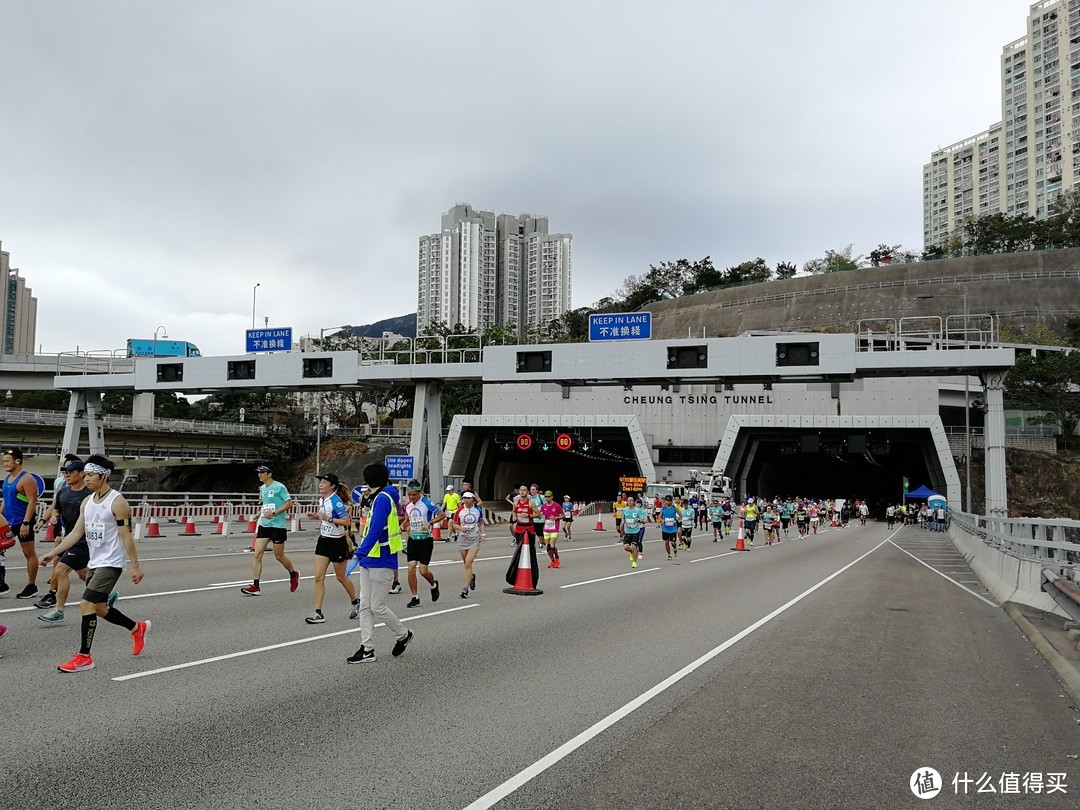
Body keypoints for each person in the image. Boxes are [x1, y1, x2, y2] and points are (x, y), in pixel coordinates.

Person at [40, 455, 149, 673]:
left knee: (86, 605)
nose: (86, 479)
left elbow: (126, 535)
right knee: (99, 608)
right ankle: (137, 628)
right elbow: (76, 533)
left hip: (111, 563)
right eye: (86, 475)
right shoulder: (87, 502)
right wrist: (53, 553)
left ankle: (84, 657)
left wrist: (135, 565)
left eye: (90, 475)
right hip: (95, 561)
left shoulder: (118, 503)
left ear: (104, 475)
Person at [347, 463, 413, 664]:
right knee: (365, 606)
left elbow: (375, 530)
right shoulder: (378, 497)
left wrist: (359, 553)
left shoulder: (383, 499)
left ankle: (403, 634)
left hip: (381, 558)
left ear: (368, 481)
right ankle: (367, 648)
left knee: (377, 606)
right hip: (370, 558)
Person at [35, 460, 98, 623]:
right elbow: (56, 507)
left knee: (61, 569)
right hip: (69, 537)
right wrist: (53, 517)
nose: (67, 475)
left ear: (81, 473)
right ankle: (105, 592)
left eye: (70, 472)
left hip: (84, 539)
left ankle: (58, 610)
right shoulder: (63, 491)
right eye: (65, 472)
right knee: (83, 573)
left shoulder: (89, 495)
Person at [304, 473, 360, 624]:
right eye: (320, 482)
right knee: (318, 577)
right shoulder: (322, 499)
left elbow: (347, 522)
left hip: (337, 543)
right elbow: (325, 518)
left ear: (332, 486)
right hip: (323, 541)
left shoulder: (336, 502)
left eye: (324, 482)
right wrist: (316, 516)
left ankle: (355, 601)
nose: (321, 484)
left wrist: (327, 518)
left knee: (341, 577)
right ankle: (318, 613)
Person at [241, 465, 299, 596]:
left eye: (262, 473)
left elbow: (289, 503)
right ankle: (256, 586)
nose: (259, 475)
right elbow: (266, 504)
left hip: (277, 526)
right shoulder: (262, 488)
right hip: (264, 525)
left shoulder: (279, 487)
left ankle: (293, 574)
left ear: (269, 474)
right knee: (257, 554)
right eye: (258, 473)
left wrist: (275, 512)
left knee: (279, 556)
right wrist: (258, 513)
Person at [3, 448, 40, 599]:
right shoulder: (8, 478)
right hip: (9, 522)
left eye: (7, 461)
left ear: (17, 461)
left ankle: (32, 586)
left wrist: (26, 522)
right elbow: (6, 500)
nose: (4, 463)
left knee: (28, 553)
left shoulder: (27, 479)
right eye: (4, 461)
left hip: (23, 521)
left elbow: (32, 501)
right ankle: (1, 583)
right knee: (1, 551)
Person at [401, 481, 443, 608]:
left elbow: (442, 514)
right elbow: (408, 520)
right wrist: (404, 526)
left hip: (426, 540)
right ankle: (415, 597)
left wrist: (429, 523)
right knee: (411, 568)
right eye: (409, 495)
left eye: (414, 495)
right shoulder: (408, 506)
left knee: (423, 571)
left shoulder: (427, 503)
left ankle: (433, 585)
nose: (412, 497)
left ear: (419, 493)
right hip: (413, 539)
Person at [452, 492, 486, 598]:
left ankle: (465, 589)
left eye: (468, 498)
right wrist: (461, 528)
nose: (466, 500)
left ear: (473, 499)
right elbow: (454, 524)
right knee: (466, 564)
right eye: (464, 498)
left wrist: (483, 534)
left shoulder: (478, 510)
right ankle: (471, 576)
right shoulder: (460, 511)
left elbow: (480, 523)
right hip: (463, 539)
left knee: (468, 562)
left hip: (474, 539)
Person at [621, 496, 647, 568]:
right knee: (626, 547)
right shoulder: (624, 510)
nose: (629, 502)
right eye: (628, 500)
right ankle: (633, 553)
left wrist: (638, 520)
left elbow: (644, 520)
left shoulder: (637, 510)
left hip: (635, 531)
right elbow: (623, 520)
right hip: (628, 531)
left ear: (634, 502)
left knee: (634, 546)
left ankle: (634, 562)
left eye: (631, 500)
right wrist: (622, 528)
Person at [540, 491, 563, 568]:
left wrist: (556, 518)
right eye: (546, 497)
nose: (547, 498)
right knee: (548, 547)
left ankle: (556, 557)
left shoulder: (557, 506)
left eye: (548, 497)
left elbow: (563, 516)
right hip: (546, 529)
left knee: (552, 545)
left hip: (554, 529)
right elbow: (540, 514)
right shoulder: (543, 506)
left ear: (552, 497)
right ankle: (552, 561)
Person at [659, 495, 679, 559]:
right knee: (666, 542)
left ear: (671, 501)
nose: (667, 502)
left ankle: (675, 548)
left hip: (673, 528)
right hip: (665, 528)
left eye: (669, 501)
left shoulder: (674, 508)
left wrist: (676, 520)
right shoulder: (663, 508)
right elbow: (660, 516)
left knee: (673, 542)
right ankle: (669, 554)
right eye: (666, 500)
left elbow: (680, 515)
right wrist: (662, 520)